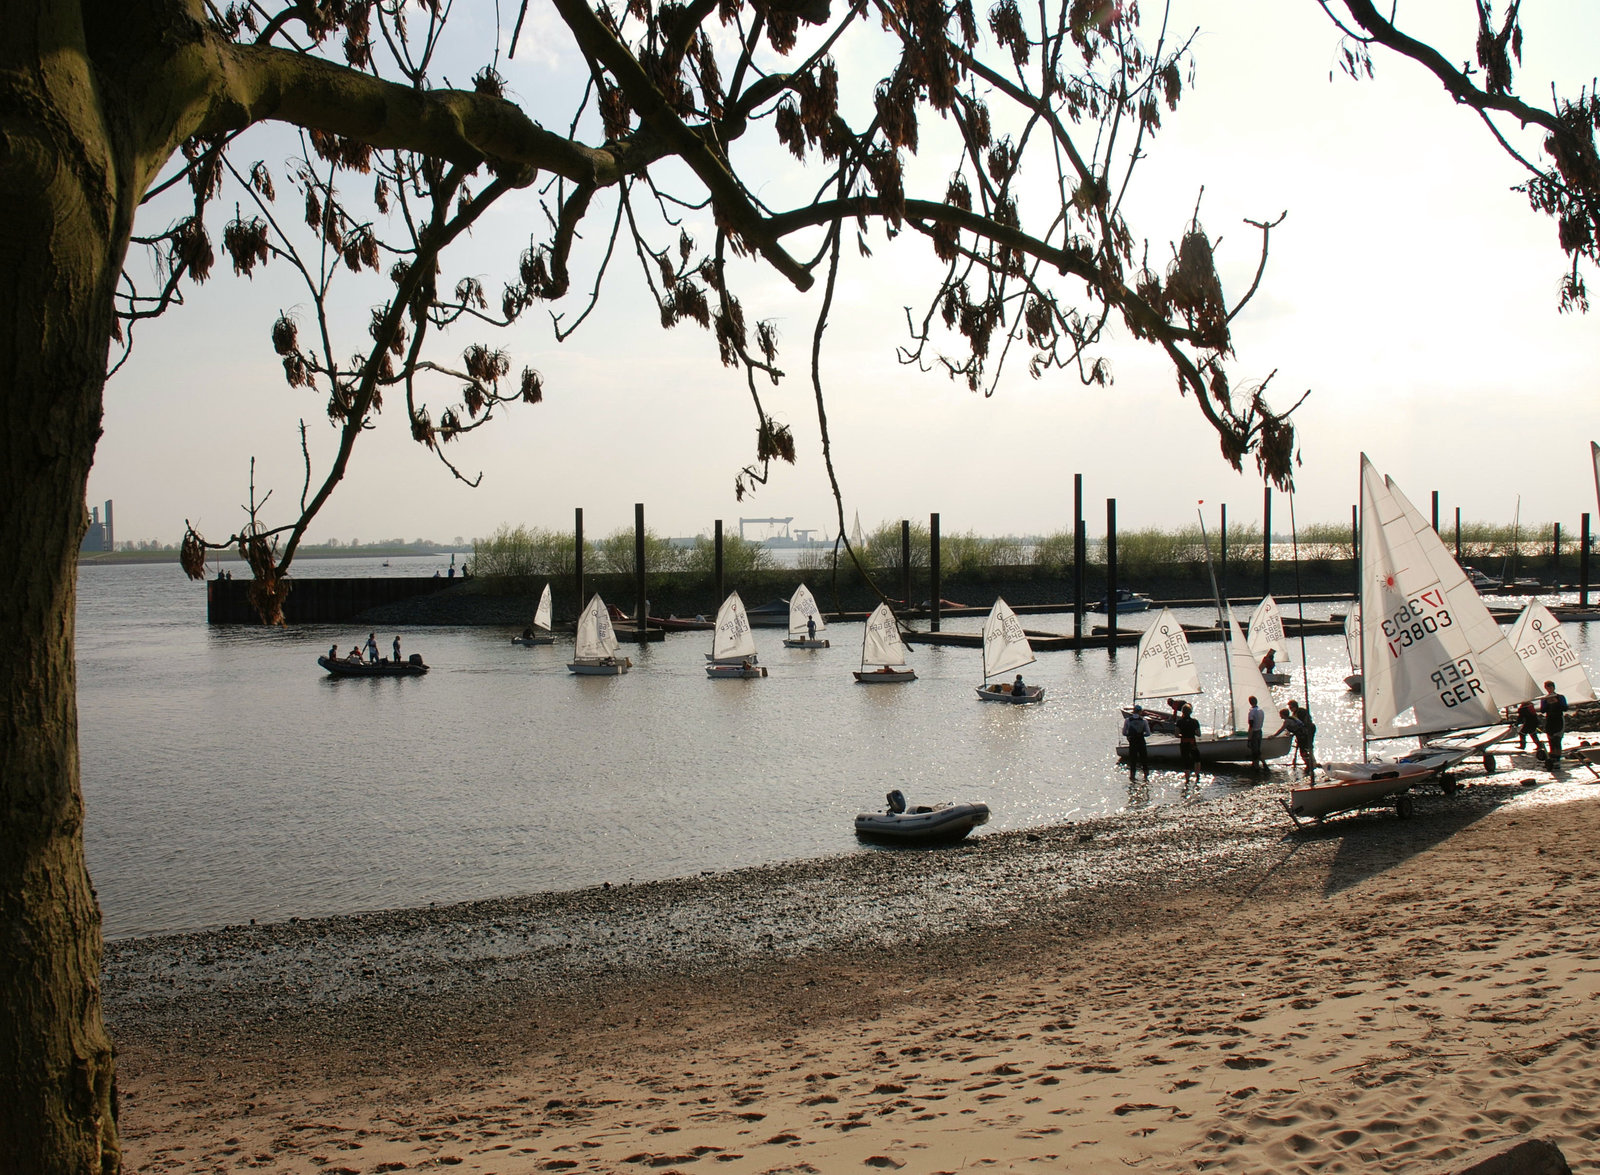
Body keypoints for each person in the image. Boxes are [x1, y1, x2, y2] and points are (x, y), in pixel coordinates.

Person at [1540, 680, 1569, 765]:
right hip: (1550, 720)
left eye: (1550, 687)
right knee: (1551, 739)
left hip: (1558, 719)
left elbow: (1565, 708)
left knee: (1557, 739)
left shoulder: (1560, 697)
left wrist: (1556, 702)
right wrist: (1547, 703)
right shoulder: (1545, 699)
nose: (1549, 689)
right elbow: (1542, 710)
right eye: (1547, 687)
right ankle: (1552, 757)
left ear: (1554, 687)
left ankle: (1558, 757)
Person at [1287, 699, 1317, 777]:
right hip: (1303, 732)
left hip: (1308, 730)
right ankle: (1309, 763)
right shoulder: (1295, 713)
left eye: (1291, 707)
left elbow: (1303, 723)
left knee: (1306, 747)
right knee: (1305, 747)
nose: (1290, 709)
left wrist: (1302, 733)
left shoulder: (1301, 712)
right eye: (1290, 708)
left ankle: (1310, 764)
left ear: (1295, 706)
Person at [1122, 705, 1151, 782]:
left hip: (1132, 741)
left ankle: (1132, 777)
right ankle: (1146, 777)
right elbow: (1148, 733)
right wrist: (1142, 734)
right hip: (1141, 741)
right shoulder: (1144, 721)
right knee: (1144, 760)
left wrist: (1129, 735)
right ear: (1140, 712)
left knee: (1133, 760)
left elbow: (1124, 733)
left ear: (1133, 711)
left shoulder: (1127, 720)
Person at [1246, 695, 1266, 770]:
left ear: (1250, 702)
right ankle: (1255, 765)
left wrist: (1249, 739)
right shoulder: (1261, 710)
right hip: (1260, 731)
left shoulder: (1252, 712)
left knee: (1255, 751)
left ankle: (1259, 766)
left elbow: (1251, 726)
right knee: (1257, 750)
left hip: (1254, 732)